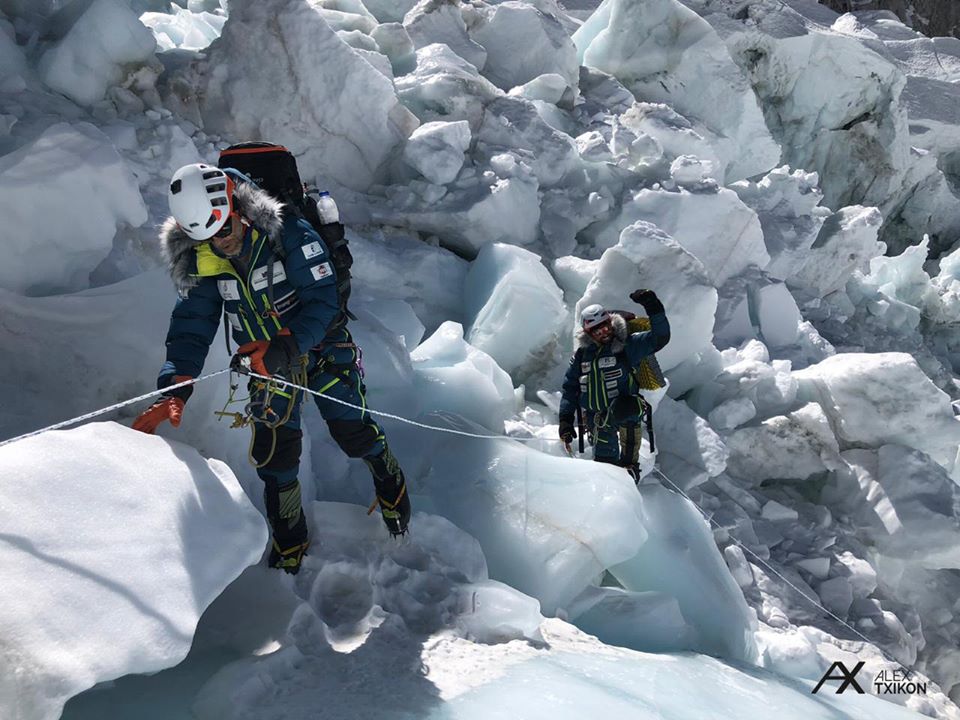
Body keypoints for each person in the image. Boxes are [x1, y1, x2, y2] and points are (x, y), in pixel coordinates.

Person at [132, 163, 411, 574]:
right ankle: (290, 544)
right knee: (275, 459)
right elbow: (192, 325)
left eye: (224, 230)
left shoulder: (287, 235)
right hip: (264, 364)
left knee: (352, 429)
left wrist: (287, 345)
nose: (220, 244)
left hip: (319, 348)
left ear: (238, 209)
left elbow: (323, 298)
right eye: (206, 238)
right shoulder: (202, 257)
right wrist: (176, 384)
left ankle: (390, 482)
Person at [558, 290, 670, 481]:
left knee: (626, 409)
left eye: (605, 326)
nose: (603, 332)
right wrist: (566, 420)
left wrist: (653, 305)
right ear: (588, 332)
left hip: (624, 412)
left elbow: (660, 337)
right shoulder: (582, 355)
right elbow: (570, 388)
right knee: (606, 472)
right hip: (596, 417)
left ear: (610, 322)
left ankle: (629, 466)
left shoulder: (629, 344)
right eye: (596, 330)